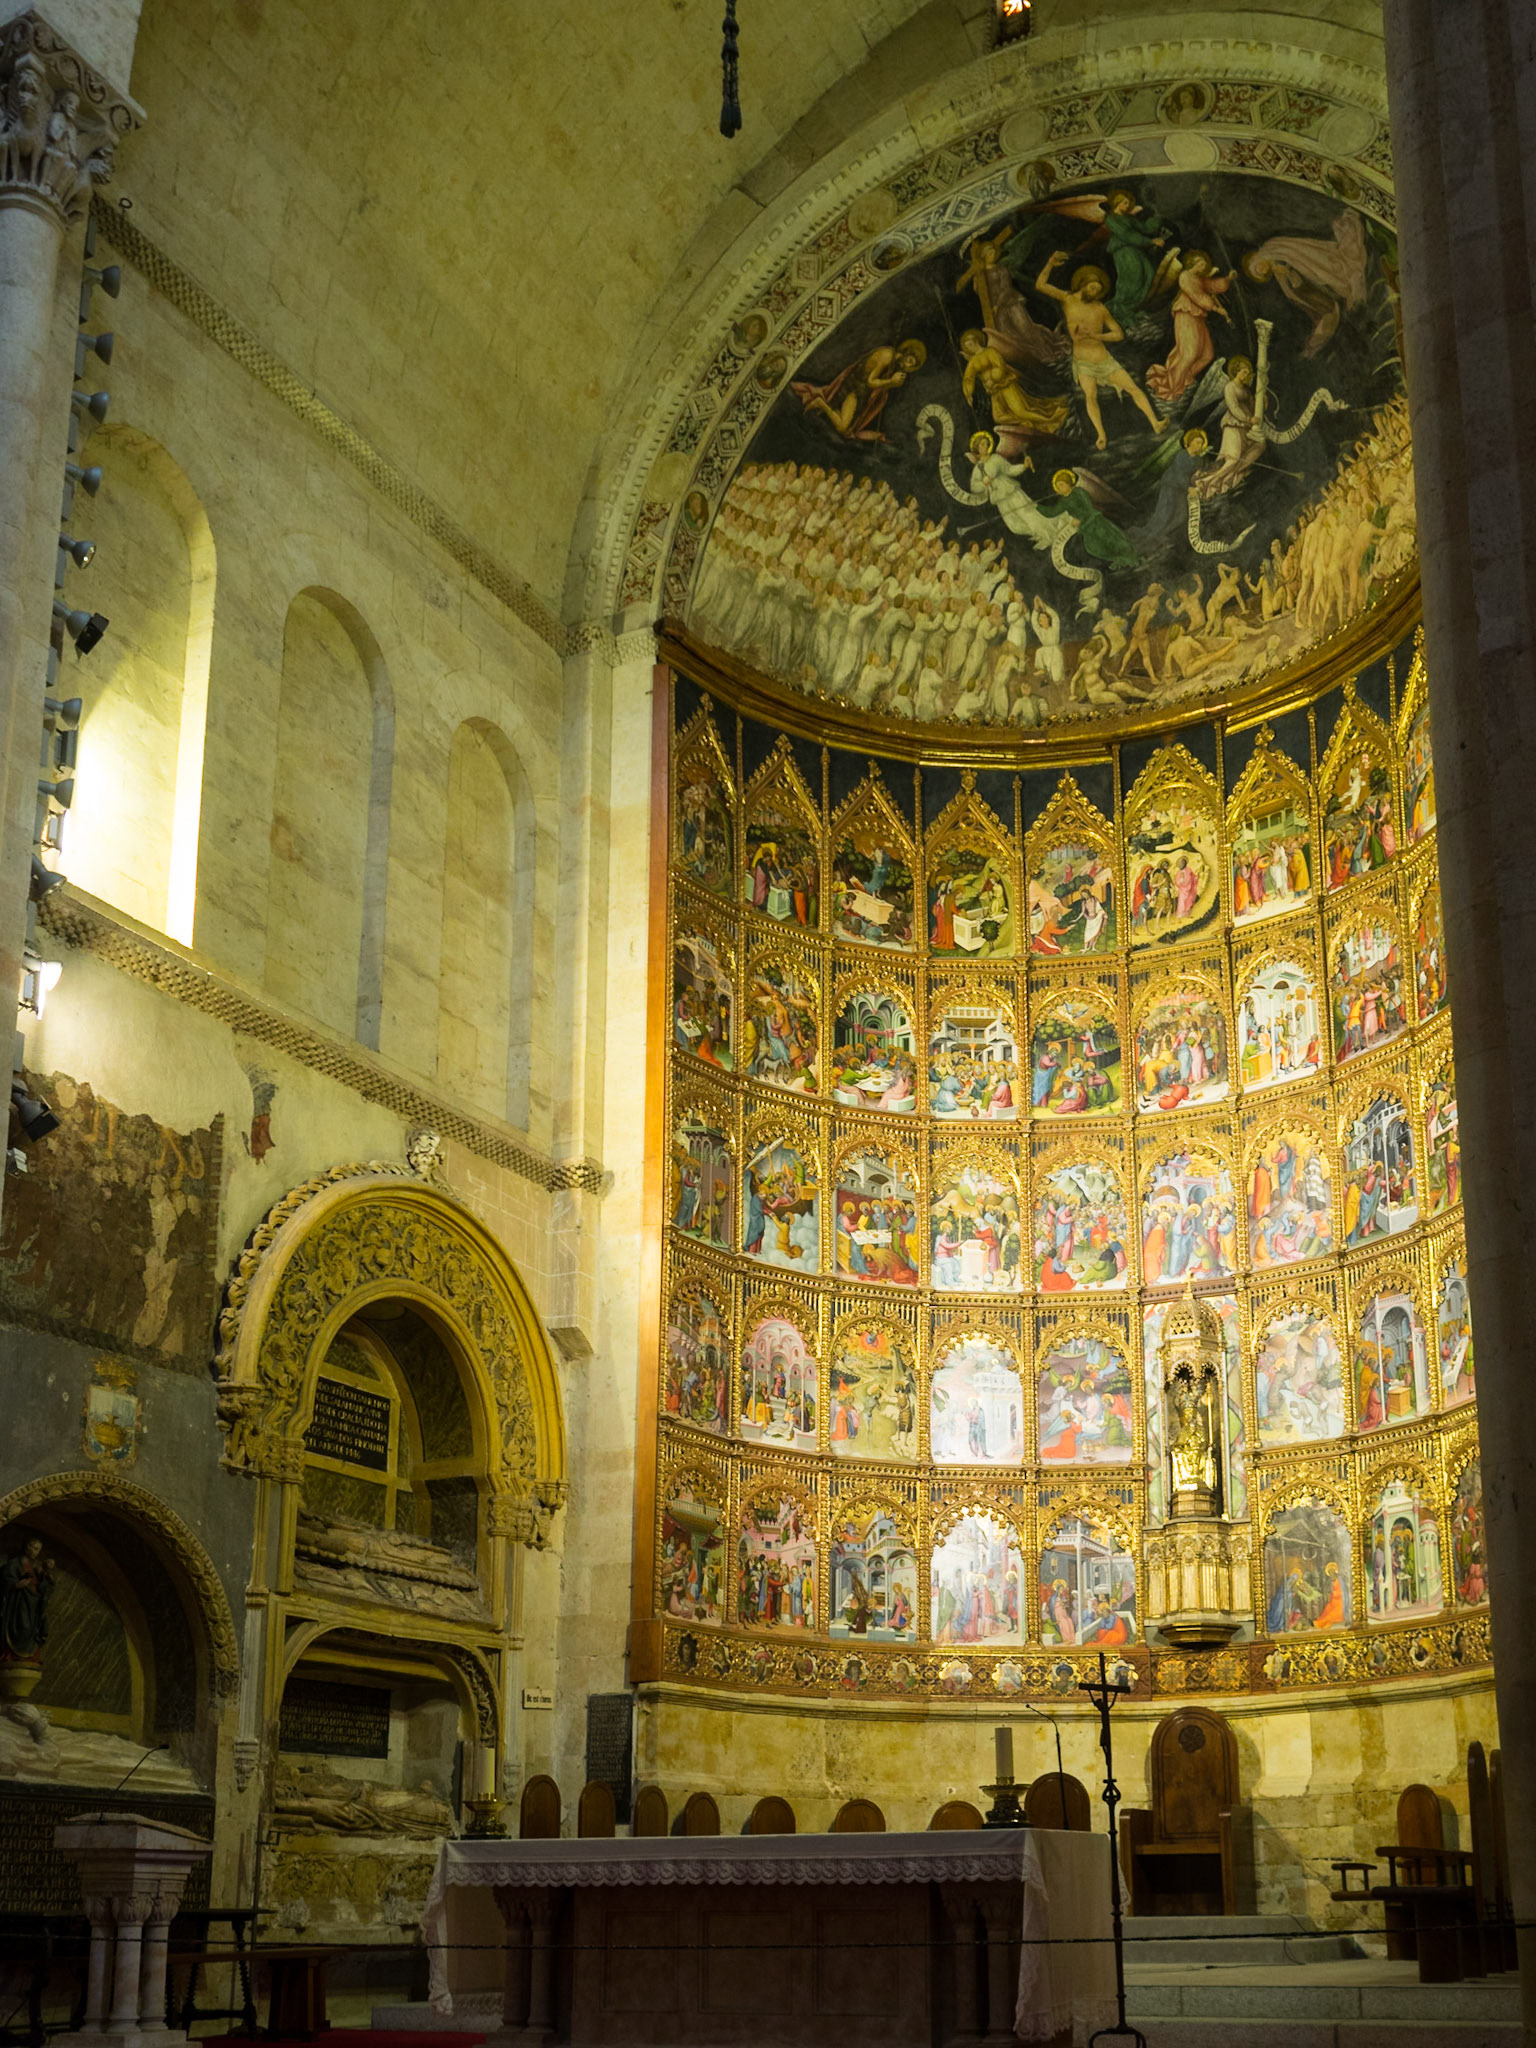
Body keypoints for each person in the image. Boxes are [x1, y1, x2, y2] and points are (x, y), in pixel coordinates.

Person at [1034, 252, 1166, 450]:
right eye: (1092, 287)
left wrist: (1097, 337)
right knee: (1090, 395)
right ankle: (1101, 436)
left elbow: (1118, 334)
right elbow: (1040, 285)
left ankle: (1156, 423)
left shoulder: (1100, 308)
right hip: (1083, 361)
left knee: (1133, 388)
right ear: (1084, 284)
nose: (1094, 291)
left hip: (1104, 358)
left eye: (1098, 290)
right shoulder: (1068, 299)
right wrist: (1050, 263)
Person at [792, 338, 927, 440]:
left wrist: (892, 384)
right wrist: (891, 381)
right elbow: (870, 382)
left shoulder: (895, 364)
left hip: (864, 394)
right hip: (855, 387)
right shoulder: (887, 356)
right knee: (843, 428)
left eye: (911, 365)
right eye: (909, 360)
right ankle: (821, 403)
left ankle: (828, 407)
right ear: (904, 353)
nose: (907, 366)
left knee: (848, 430)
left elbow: (879, 386)